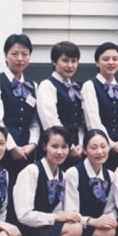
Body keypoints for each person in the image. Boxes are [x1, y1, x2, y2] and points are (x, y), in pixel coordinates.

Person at [11, 126, 90, 236]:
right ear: (44, 146)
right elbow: (23, 216)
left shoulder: (62, 176)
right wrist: (57, 217)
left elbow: (67, 212)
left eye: (64, 147)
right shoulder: (31, 171)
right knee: (74, 228)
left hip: (45, 234)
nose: (60, 152)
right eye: (55, 146)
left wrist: (73, 217)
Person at [0, 34, 40, 223]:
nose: (20, 58)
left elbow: (35, 122)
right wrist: (12, 147)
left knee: (25, 193)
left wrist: (32, 144)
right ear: (5, 55)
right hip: (3, 148)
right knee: (3, 193)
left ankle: (23, 233)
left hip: (27, 150)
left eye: (24, 54)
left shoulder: (33, 85)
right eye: (14, 53)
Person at [64, 129, 118, 236]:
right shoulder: (73, 173)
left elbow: (111, 208)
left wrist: (109, 219)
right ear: (85, 150)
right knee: (104, 233)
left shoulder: (111, 175)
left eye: (103, 146)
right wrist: (93, 221)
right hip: (77, 229)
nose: (100, 151)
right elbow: (70, 212)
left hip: (98, 230)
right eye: (94, 147)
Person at [82, 42, 118, 171]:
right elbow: (92, 120)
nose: (111, 62)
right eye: (106, 59)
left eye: (115, 59)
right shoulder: (90, 86)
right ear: (97, 63)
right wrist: (110, 144)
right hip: (99, 150)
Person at [37, 41, 85, 170]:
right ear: (54, 61)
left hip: (76, 150)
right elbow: (50, 121)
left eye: (74, 61)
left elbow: (80, 122)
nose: (70, 65)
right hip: (56, 150)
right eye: (65, 60)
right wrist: (67, 146)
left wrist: (81, 144)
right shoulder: (47, 85)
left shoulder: (76, 87)